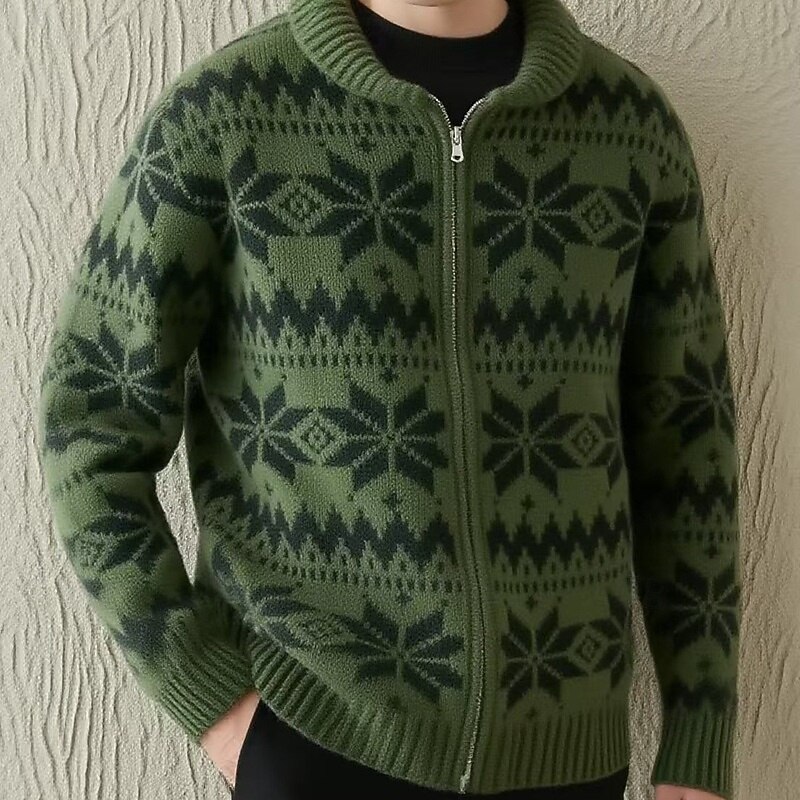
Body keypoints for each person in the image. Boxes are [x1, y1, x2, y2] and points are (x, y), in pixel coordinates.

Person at [36, 0, 742, 799]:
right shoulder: (223, 116)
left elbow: (690, 448)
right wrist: (217, 705)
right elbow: (88, 425)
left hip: (567, 759)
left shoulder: (630, 127)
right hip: (315, 742)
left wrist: (699, 733)